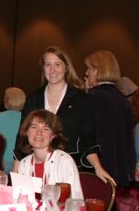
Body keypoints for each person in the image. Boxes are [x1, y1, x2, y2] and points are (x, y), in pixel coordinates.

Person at [14, 46, 114, 185]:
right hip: (37, 171)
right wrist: (16, 176)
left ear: (66, 67)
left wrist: (98, 167)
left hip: (71, 171)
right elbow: (22, 138)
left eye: (57, 64)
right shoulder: (33, 99)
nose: (52, 70)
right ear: (43, 68)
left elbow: (88, 140)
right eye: (48, 64)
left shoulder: (82, 100)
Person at [84, 50, 134, 187]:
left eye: (89, 68)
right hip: (119, 169)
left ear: (98, 70)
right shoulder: (123, 99)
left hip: (97, 168)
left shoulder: (92, 97)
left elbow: (87, 134)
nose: (87, 73)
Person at [17, 109, 83, 199]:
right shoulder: (24, 164)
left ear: (53, 136)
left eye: (46, 129)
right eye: (34, 127)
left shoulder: (64, 162)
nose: (39, 133)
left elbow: (76, 203)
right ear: (26, 132)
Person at [0, 87, 26, 173]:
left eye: (4, 97)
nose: (3, 100)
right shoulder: (27, 119)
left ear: (9, 100)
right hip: (20, 165)